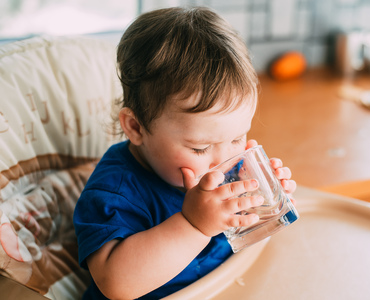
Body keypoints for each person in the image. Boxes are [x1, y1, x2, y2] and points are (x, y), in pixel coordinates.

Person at [73, 6, 297, 300]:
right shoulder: (116, 190)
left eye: (237, 138)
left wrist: (258, 204)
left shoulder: (219, 166)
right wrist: (194, 225)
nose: (221, 162)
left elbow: (242, 242)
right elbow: (116, 284)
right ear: (136, 127)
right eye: (200, 148)